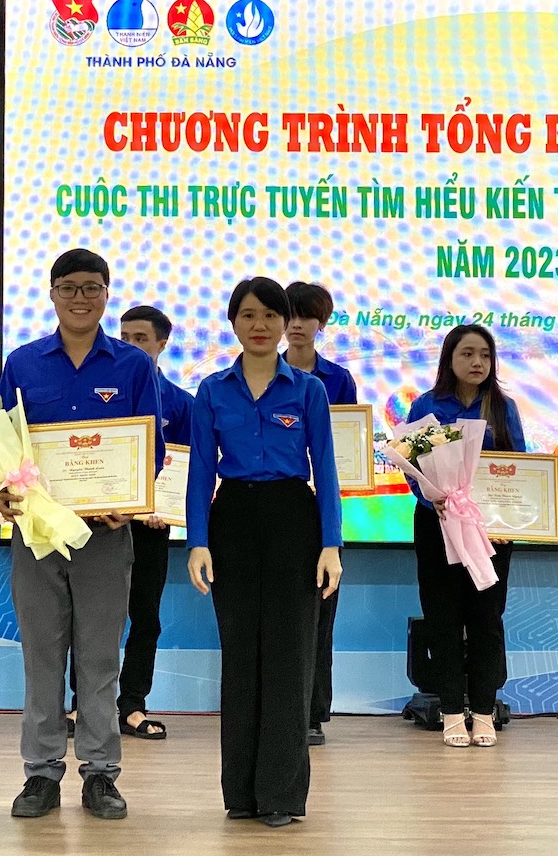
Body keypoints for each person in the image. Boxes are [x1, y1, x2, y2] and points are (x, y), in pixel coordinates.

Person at [0, 248, 163, 821]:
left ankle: (100, 773)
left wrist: (131, 502)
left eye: (92, 287)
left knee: (99, 658)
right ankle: (41, 773)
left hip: (104, 536)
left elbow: (151, 446)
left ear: (107, 294)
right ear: (51, 294)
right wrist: (1, 491)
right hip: (38, 535)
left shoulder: (133, 366)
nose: (80, 298)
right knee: (42, 656)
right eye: (68, 287)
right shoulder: (22, 363)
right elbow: (3, 445)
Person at [186, 277, 343, 828]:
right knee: (240, 656)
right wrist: (198, 541)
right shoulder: (212, 390)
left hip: (293, 520)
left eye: (271, 316)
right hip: (231, 519)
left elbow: (326, 469)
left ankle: (281, 794)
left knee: (290, 658)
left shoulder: (308, 390)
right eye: (249, 315)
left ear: (284, 323)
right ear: (233, 322)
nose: (260, 325)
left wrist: (331, 544)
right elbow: (200, 469)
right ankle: (242, 794)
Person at [65, 305, 192, 742]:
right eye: (125, 337)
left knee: (145, 617)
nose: (131, 346)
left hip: (151, 527)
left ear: (162, 344)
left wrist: (163, 506)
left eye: (141, 339)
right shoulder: (104, 388)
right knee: (89, 617)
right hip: (98, 522)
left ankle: (133, 705)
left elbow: (190, 469)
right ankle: (82, 704)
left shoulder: (182, 403)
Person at [406, 323, 525, 749]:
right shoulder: (426, 405)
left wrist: (509, 520)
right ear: (449, 359)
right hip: (436, 525)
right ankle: (453, 712)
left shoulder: (503, 408)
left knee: (486, 620)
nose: (477, 362)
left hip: (489, 531)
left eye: (485, 355)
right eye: (468, 354)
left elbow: (520, 468)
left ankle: (484, 712)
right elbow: (412, 468)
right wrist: (431, 497)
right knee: (442, 618)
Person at [282, 281, 358, 748]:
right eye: (290, 314)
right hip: (279, 503)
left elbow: (344, 448)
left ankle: (312, 713)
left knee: (319, 615)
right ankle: (278, 708)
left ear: (321, 323)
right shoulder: (261, 373)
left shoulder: (339, 380)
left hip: (322, 508)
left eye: (306, 315)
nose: (297, 324)